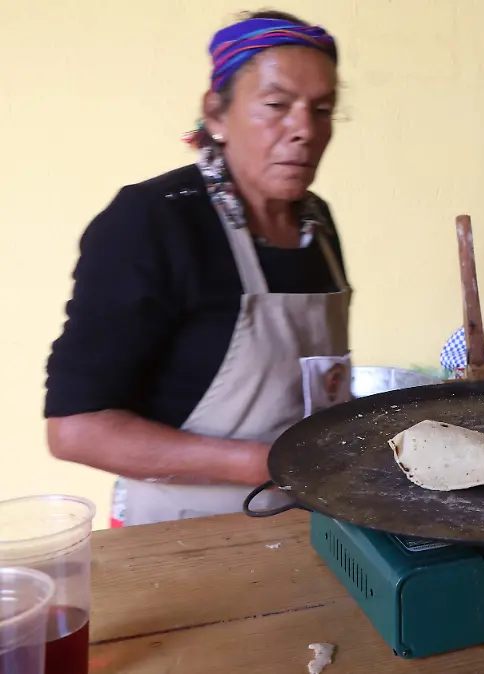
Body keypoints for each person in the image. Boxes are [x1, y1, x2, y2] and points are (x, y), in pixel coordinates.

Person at [44, 10, 351, 527]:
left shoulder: (315, 222)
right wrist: (268, 463)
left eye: (322, 110)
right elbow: (76, 429)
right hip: (182, 537)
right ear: (216, 114)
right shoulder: (152, 222)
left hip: (312, 519)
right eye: (276, 105)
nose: (304, 130)